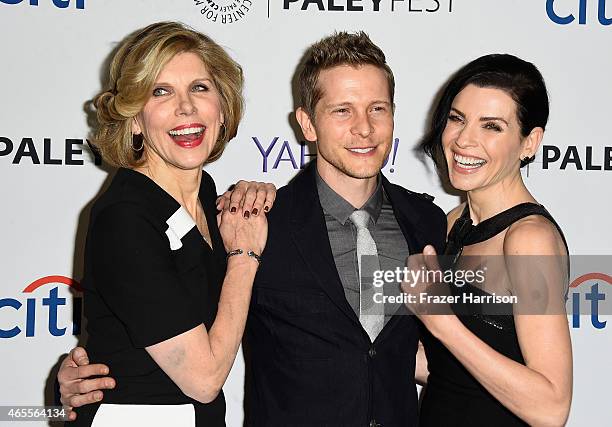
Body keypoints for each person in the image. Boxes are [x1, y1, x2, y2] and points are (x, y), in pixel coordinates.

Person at [58, 32, 447, 426]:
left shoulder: (429, 222)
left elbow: (428, 351)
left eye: (377, 108)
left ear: (222, 108)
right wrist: (70, 395)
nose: (364, 128)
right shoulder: (259, 225)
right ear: (307, 124)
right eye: (342, 110)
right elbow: (200, 374)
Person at [62, 21, 276, 426]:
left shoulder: (205, 192)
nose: (187, 107)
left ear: (222, 105)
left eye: (200, 87)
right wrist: (244, 255)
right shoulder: (124, 217)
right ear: (135, 118)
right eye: (161, 92)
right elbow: (204, 379)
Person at [410, 54, 572, 426]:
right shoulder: (452, 224)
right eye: (457, 119)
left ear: (529, 142)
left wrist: (440, 322)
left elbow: (550, 408)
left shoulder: (529, 240)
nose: (465, 140)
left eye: (492, 126)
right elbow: (450, 370)